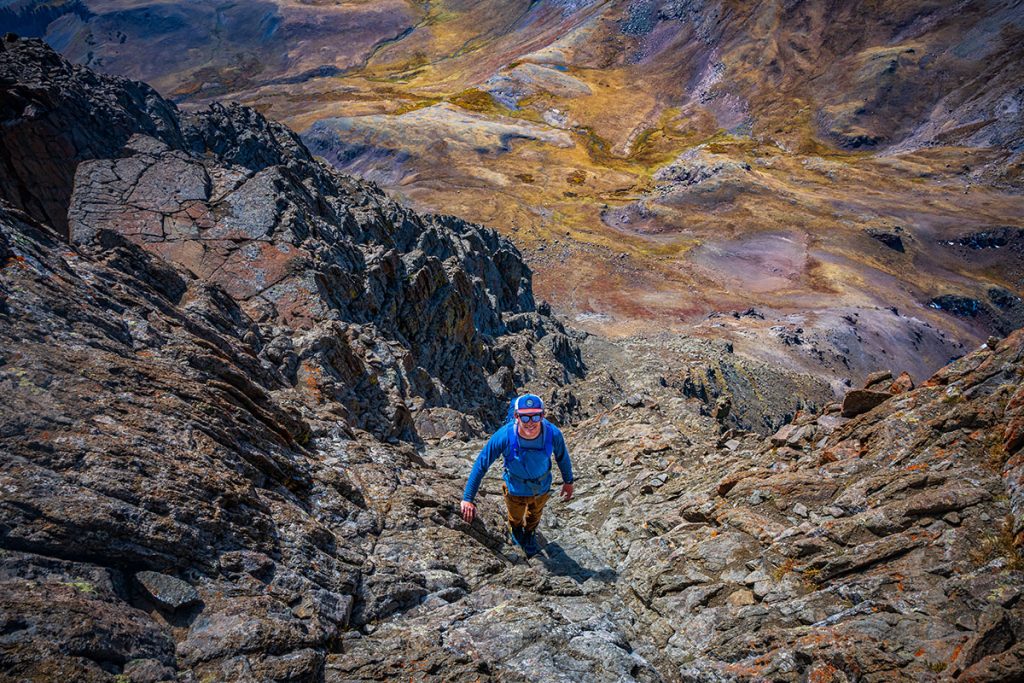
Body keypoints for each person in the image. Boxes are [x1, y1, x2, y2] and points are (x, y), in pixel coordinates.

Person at [460, 393, 574, 557]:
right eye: (525, 418)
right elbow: (481, 464)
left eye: (535, 416)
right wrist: (468, 498)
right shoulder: (504, 436)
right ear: (516, 416)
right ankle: (517, 530)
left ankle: (530, 533)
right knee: (515, 516)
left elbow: (562, 457)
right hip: (515, 489)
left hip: (541, 488)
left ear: (542, 415)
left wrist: (568, 481)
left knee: (535, 514)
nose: (531, 423)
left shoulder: (552, 433)